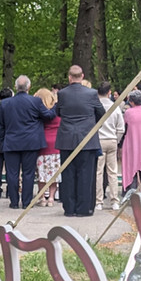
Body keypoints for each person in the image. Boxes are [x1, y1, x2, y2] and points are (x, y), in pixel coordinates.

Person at [0, 76, 56, 209]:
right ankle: (27, 202)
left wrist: (1, 141)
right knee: (28, 173)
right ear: (29, 87)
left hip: (11, 143)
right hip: (31, 142)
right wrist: (55, 106)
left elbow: (0, 125)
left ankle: (13, 202)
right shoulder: (35, 101)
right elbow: (48, 116)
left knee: (12, 174)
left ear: (16, 87)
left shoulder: (5, 104)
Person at [55, 65, 105, 217]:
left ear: (69, 77)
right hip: (87, 139)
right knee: (86, 175)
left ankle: (69, 208)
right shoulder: (91, 93)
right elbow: (102, 113)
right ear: (82, 76)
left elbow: (58, 112)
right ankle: (84, 208)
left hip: (67, 139)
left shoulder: (62, 94)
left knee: (68, 175)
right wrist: (91, 125)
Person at [95, 82, 124, 211]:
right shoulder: (115, 107)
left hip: (99, 140)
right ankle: (114, 200)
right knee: (112, 172)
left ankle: (99, 201)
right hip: (112, 140)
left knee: (98, 172)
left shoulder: (95, 107)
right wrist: (116, 140)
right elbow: (121, 128)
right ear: (109, 92)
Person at [121, 91, 141, 195]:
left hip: (131, 142)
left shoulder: (128, 113)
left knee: (131, 166)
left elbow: (125, 126)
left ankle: (130, 191)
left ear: (131, 101)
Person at [34, 88, 60, 207]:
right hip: (56, 143)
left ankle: (42, 197)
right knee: (54, 173)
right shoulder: (57, 111)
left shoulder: (39, 112)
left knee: (42, 173)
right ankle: (51, 197)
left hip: (42, 142)